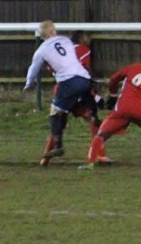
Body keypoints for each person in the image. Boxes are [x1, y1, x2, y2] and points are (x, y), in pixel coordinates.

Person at [79, 51, 141, 170]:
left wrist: (113, 95)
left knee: (102, 134)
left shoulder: (135, 67)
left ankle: (90, 163)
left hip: (122, 108)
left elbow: (114, 78)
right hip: (140, 112)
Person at [24, 20, 93, 165]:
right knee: (69, 108)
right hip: (85, 79)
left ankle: (58, 146)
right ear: (52, 31)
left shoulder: (41, 50)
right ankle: (90, 115)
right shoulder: (66, 40)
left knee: (55, 112)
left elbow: (33, 69)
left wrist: (28, 84)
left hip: (69, 82)